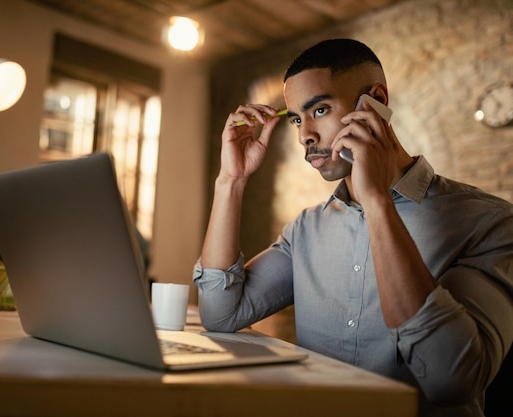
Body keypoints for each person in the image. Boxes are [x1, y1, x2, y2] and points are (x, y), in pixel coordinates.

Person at [193, 38, 513, 417]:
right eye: (296, 118)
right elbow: (220, 314)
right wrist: (230, 180)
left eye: (321, 110)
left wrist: (376, 200)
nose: (303, 135)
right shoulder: (305, 229)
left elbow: (450, 380)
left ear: (375, 100)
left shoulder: (490, 223)